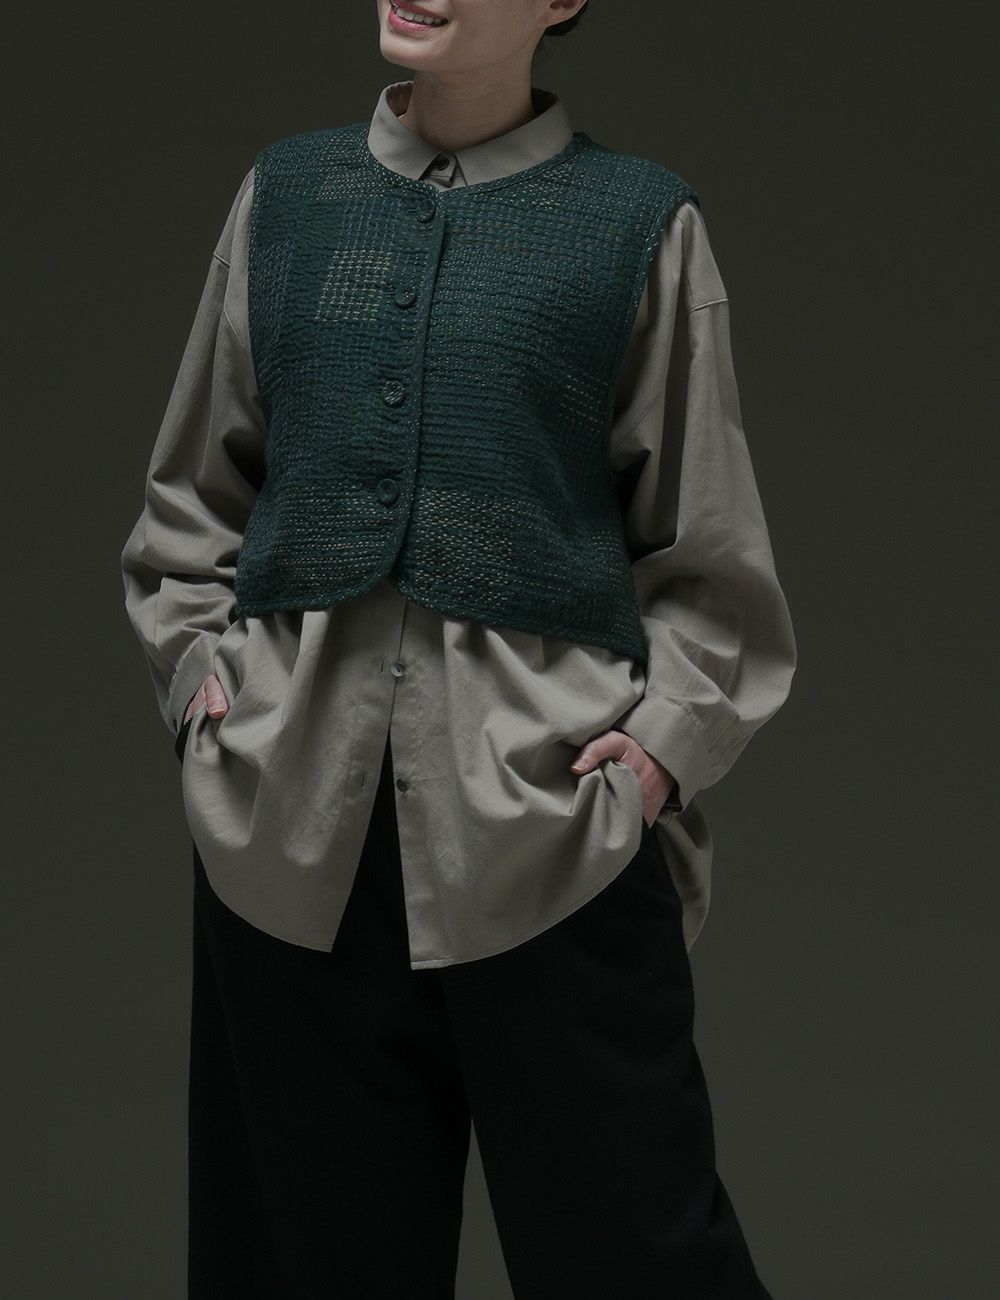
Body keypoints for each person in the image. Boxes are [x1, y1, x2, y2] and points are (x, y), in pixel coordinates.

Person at [121, 1, 797, 1295]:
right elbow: (192, 498)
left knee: (638, 1260)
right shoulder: (287, 198)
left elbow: (711, 560)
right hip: (288, 824)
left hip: (551, 827)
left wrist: (657, 755)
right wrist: (205, 681)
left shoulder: (638, 224)